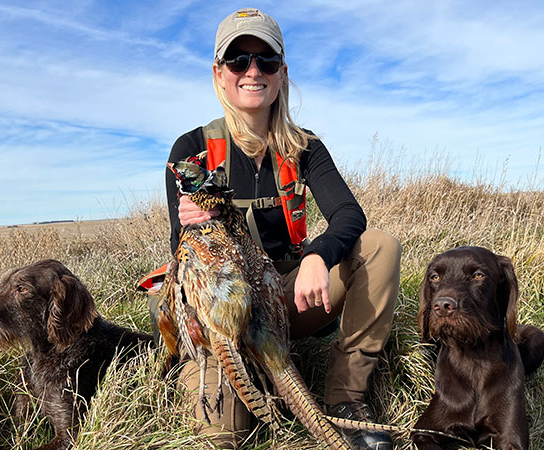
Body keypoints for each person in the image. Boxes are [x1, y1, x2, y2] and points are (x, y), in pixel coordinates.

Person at [165, 8, 401, 450]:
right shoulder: (191, 151)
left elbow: (351, 217)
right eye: (238, 61)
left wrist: (317, 255)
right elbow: (182, 254)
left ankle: (345, 399)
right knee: (223, 435)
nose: (252, 71)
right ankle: (226, 373)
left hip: (287, 299)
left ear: (282, 73)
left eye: (266, 61)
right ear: (218, 74)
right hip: (225, 316)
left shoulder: (305, 146)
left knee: (380, 247)